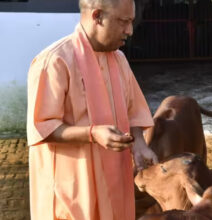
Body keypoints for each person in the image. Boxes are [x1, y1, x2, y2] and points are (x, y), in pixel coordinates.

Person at [26, 0, 158, 219]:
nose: (130, 31)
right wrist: (92, 133)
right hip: (73, 188)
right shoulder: (54, 61)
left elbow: (134, 110)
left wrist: (140, 145)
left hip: (116, 182)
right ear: (97, 16)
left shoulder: (120, 59)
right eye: (123, 22)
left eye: (131, 22)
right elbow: (43, 127)